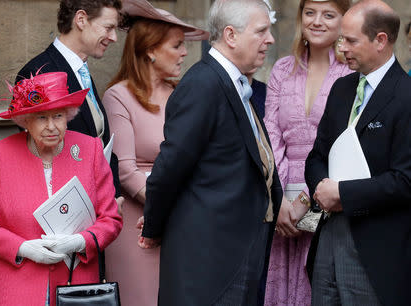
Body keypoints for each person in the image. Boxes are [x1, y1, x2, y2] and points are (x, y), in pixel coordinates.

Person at [138, 0, 282, 305]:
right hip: (211, 263)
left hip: (237, 250)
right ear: (231, 36)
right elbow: (170, 168)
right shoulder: (203, 84)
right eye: (261, 31)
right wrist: (154, 225)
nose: (270, 40)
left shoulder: (232, 82)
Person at [0, 71, 123, 306]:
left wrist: (81, 242)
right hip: (18, 288)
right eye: (41, 117)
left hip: (77, 287)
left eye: (58, 116)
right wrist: (22, 247)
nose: (52, 126)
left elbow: (111, 219)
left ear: (68, 116)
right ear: (26, 120)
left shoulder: (90, 149)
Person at [101, 0, 208, 305]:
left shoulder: (181, 94)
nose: (184, 53)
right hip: (137, 231)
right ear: (150, 49)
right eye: (176, 46)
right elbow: (125, 171)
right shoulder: (118, 96)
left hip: (180, 225)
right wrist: (169, 203)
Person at [305, 0, 411, 305]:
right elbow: (317, 156)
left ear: (380, 40)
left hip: (376, 247)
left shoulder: (405, 96)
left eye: (350, 40)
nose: (342, 48)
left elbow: (405, 181)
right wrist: (322, 188)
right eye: (341, 39)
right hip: (328, 239)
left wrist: (344, 194)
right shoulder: (341, 89)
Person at [262, 0, 351, 304]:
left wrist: (305, 201)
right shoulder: (282, 69)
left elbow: (346, 144)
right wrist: (281, 199)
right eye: (310, 13)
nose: (317, 21)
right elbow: (271, 134)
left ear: (344, 20)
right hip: (282, 197)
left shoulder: (350, 73)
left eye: (329, 15)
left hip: (328, 195)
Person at [16, 0, 122, 200]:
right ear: (81, 19)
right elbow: (41, 156)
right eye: (108, 28)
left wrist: (113, 197)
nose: (114, 37)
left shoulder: (82, 71)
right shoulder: (37, 73)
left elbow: (100, 141)